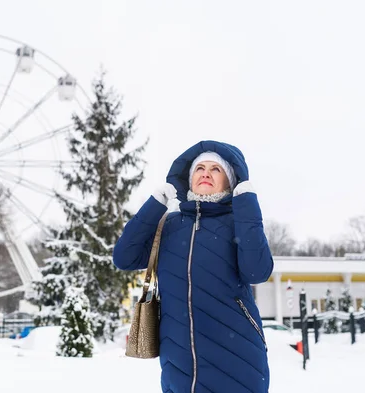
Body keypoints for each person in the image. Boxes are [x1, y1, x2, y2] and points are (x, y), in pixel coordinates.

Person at [113, 140, 273, 393]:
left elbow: (257, 272)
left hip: (237, 354)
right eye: (199, 168)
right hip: (179, 358)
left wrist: (247, 205)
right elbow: (124, 257)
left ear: (230, 181)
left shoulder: (238, 222)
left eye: (216, 169)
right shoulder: (169, 225)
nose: (206, 173)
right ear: (189, 178)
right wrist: (155, 204)